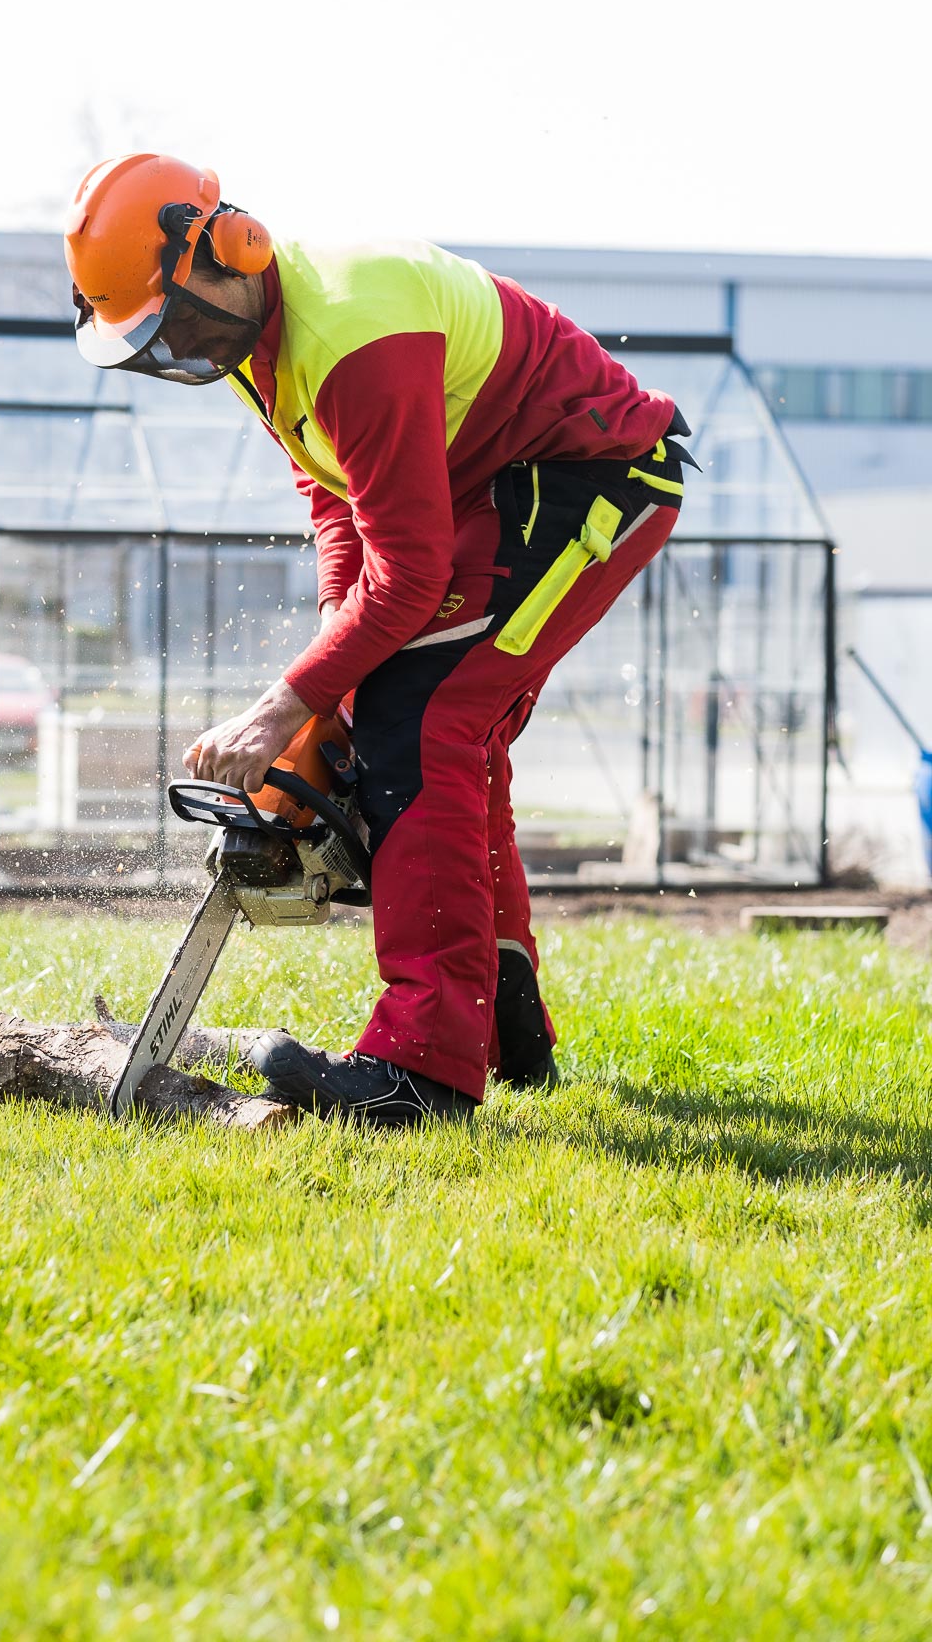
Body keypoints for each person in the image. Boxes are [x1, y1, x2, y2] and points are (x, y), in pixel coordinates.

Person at [66, 153, 693, 1127]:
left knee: (427, 720)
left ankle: (424, 1070)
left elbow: (406, 574)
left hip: (592, 479)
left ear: (232, 247)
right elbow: (334, 500)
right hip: (491, 487)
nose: (181, 349)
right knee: (414, 711)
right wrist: (332, 651)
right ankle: (502, 1008)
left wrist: (289, 705)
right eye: (158, 339)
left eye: (180, 323)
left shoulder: (353, 332)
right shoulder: (254, 347)